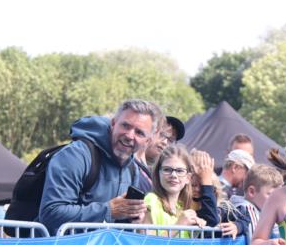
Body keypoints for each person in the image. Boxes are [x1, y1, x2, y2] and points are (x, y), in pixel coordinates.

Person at [38, 99, 160, 234]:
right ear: (113, 124)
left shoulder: (133, 170)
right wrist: (108, 210)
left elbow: (118, 222)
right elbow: (50, 212)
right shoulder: (76, 155)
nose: (130, 136)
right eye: (125, 126)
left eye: (139, 132)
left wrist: (133, 219)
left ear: (147, 141)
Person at [142, 144, 206, 237]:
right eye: (167, 169)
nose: (173, 175)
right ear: (158, 173)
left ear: (188, 178)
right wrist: (179, 225)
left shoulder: (182, 208)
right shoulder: (150, 200)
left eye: (179, 171)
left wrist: (195, 232)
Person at [220, 164, 283, 239]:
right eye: (271, 195)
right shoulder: (244, 209)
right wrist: (237, 226)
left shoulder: (265, 212)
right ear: (252, 192)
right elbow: (245, 221)